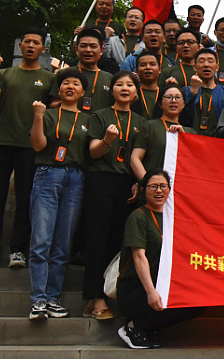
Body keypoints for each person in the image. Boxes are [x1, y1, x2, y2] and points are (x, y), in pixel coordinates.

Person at [0, 28, 54, 269]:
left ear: (43, 49)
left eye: (36, 42)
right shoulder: (5, 73)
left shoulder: (49, 78)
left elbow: (55, 108)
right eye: (27, 41)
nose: (30, 45)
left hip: (30, 146)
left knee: (26, 199)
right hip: (0, 142)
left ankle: (18, 250)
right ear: (20, 46)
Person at [117, 170, 205, 349]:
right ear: (143, 190)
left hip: (162, 283)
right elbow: (139, 256)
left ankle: (149, 328)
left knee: (197, 303)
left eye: (163, 186)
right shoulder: (139, 217)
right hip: (136, 288)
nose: (159, 191)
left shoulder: (172, 218)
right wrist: (151, 292)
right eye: (153, 186)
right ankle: (133, 327)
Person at [28, 69, 91, 319]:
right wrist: (38, 117)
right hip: (48, 174)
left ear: (83, 92)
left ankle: (53, 298)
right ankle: (38, 299)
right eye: (65, 83)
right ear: (59, 88)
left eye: (76, 83)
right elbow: (38, 145)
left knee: (63, 242)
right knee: (41, 239)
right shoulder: (48, 114)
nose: (70, 86)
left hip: (76, 178)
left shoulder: (89, 119)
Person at [83, 71, 144, 320]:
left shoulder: (140, 121)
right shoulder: (100, 115)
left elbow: (140, 157)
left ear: (136, 92)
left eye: (130, 85)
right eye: (119, 84)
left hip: (127, 184)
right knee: (97, 238)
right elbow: (93, 152)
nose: (125, 88)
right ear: (112, 90)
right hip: (101, 179)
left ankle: (102, 298)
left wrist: (138, 183)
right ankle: (95, 297)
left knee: (117, 241)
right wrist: (107, 140)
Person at [130, 85, 195, 182]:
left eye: (178, 97)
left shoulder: (190, 132)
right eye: (168, 97)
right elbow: (135, 158)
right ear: (160, 104)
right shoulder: (149, 126)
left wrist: (184, 136)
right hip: (153, 186)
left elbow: (194, 162)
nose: (173, 101)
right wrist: (147, 182)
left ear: (183, 104)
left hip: (180, 186)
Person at [52, 28, 113, 114]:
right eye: (83, 46)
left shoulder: (109, 78)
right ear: (76, 49)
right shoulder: (64, 74)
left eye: (93, 46)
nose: (88, 50)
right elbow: (52, 104)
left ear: (101, 50)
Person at [182, 49, 224, 137]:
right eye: (201, 61)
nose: (206, 65)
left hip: (217, 141)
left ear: (217, 67)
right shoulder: (186, 91)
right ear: (195, 67)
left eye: (210, 61)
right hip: (192, 140)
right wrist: (193, 93)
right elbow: (183, 120)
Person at [132, 51, 162, 120]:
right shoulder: (132, 93)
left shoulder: (165, 94)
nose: (148, 67)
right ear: (137, 71)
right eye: (143, 65)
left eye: (152, 64)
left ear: (159, 69)